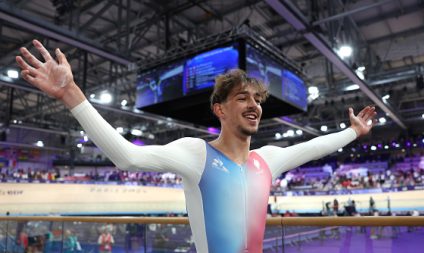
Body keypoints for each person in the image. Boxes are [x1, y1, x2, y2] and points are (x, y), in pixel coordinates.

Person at [16, 40, 377, 253]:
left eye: (257, 99)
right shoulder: (197, 154)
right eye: (242, 98)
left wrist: (352, 132)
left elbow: (314, 147)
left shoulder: (266, 159)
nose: (254, 105)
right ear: (220, 109)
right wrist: (70, 94)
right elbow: (125, 155)